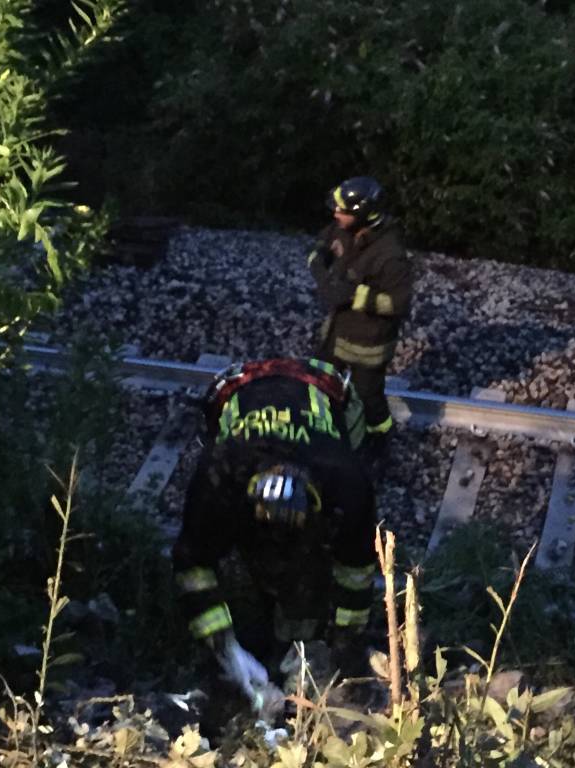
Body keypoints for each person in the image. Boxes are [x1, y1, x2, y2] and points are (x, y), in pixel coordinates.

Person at [172, 357, 376, 715]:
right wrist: (224, 647)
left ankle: (300, 626)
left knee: (319, 559)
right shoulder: (219, 473)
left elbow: (356, 568)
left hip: (329, 390)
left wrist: (346, 642)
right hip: (237, 389)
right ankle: (266, 618)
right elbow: (191, 563)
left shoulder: (346, 481)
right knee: (242, 556)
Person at [308, 176, 413, 453]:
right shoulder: (343, 229)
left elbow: (399, 303)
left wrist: (357, 296)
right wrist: (319, 263)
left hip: (368, 342)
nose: (335, 214)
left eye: (342, 211)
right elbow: (323, 243)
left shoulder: (390, 256)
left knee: (368, 398)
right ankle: (325, 431)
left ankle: (379, 442)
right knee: (317, 379)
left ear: (363, 215)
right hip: (337, 331)